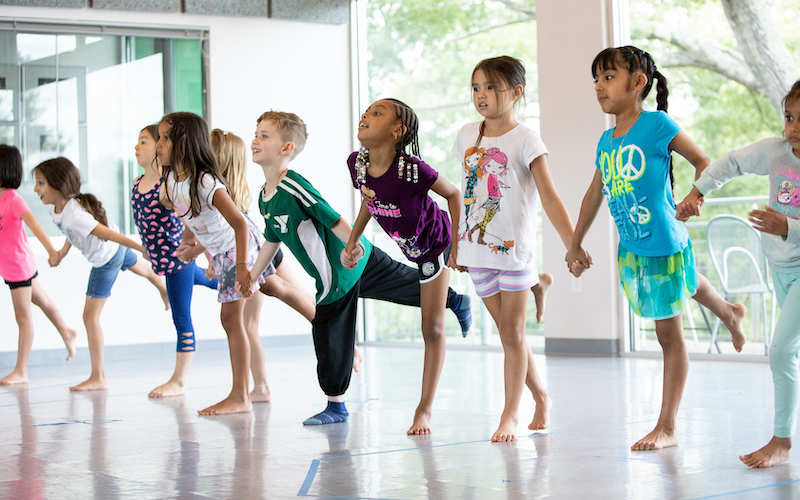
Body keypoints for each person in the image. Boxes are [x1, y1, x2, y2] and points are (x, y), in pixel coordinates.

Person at [566, 45, 747, 451]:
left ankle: (667, 426)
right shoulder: (606, 139)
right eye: (596, 79)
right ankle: (729, 311)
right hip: (633, 245)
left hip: (663, 240)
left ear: (638, 82)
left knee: (668, 337)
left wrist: (695, 196)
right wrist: (575, 242)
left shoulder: (657, 124)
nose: (598, 86)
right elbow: (595, 193)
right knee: (685, 282)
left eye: (608, 77)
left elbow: (703, 160)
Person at [248, 111, 473, 427]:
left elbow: (332, 217)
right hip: (359, 255)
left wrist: (352, 246)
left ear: (286, 148)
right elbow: (272, 239)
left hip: (342, 267)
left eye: (264, 135)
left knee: (327, 327)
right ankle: (454, 299)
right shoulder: (265, 197)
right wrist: (252, 276)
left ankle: (335, 405)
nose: (255, 140)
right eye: (256, 133)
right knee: (407, 284)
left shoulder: (293, 186)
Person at [451, 55, 576, 442]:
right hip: (476, 251)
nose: (481, 95)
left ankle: (510, 415)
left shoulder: (526, 139)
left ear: (516, 92)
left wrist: (573, 244)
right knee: (511, 337)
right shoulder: (466, 135)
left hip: (513, 253)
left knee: (511, 333)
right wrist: (456, 245)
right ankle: (541, 396)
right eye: (476, 87)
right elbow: (464, 194)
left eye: (491, 87)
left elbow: (550, 196)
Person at [677, 80, 800, 468]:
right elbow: (732, 162)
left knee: (782, 350)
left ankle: (782, 440)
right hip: (779, 267)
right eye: (789, 117)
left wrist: (788, 226)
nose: (793, 127)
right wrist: (698, 191)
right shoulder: (776, 153)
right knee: (789, 352)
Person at [344, 98, 469, 434]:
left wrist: (458, 247)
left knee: (432, 329)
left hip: (436, 245)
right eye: (367, 111)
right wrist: (353, 239)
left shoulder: (412, 169)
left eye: (377, 113)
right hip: (411, 249)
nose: (366, 115)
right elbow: (370, 198)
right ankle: (534, 282)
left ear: (397, 131)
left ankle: (424, 410)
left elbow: (454, 194)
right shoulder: (357, 164)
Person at [157, 112, 273, 415]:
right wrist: (189, 246)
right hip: (221, 252)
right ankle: (242, 394)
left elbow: (239, 223)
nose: (159, 144)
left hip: (236, 248)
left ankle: (240, 396)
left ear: (184, 143)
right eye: (159, 137)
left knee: (233, 320)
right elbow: (189, 215)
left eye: (165, 138)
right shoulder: (174, 180)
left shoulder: (205, 181)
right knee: (235, 318)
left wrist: (242, 267)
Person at [32, 157, 168, 391]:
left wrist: (142, 247)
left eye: (41, 183)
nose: (35, 189)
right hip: (114, 250)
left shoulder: (76, 214)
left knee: (90, 317)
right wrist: (63, 252)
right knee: (142, 269)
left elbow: (106, 234)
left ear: (58, 185)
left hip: (107, 257)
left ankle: (98, 376)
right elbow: (71, 232)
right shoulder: (57, 208)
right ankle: (163, 288)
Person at [131, 124, 218, 398]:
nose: (137, 147)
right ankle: (238, 282)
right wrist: (147, 247)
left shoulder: (167, 186)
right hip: (163, 261)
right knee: (208, 281)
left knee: (181, 317)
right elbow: (143, 221)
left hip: (177, 260)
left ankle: (179, 381)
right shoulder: (136, 183)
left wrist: (209, 255)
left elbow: (193, 221)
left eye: (143, 141)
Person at [0, 145, 76, 385]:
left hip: (18, 266)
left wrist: (52, 251)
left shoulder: (13, 199)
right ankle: (67, 331)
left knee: (22, 318)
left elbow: (35, 226)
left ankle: (21, 370)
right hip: (8, 265)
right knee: (42, 300)